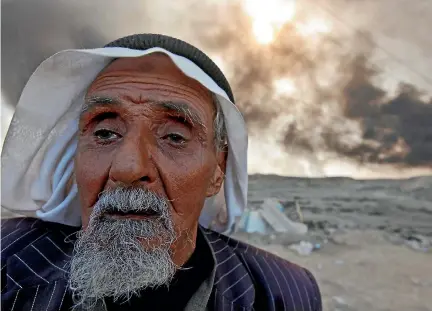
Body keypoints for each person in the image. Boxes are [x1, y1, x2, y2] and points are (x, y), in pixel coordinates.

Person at [1, 34, 321, 311]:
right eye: (105, 132)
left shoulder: (284, 292)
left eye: (174, 137)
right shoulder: (7, 262)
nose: (128, 168)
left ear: (217, 172)